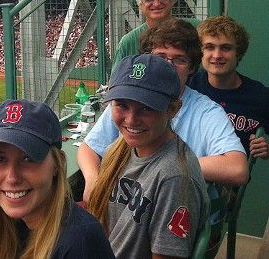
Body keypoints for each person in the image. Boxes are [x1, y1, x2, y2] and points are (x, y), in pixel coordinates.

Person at [77, 18, 248, 205]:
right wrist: (93, 181)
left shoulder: (206, 111)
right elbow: (89, 147)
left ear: (191, 67)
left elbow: (237, 168)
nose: (168, 65)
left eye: (179, 60)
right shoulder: (130, 99)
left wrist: (164, 166)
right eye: (160, 57)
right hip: (127, 205)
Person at [88, 54, 209, 258]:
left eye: (147, 108)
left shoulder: (174, 177)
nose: (131, 120)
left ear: (172, 109)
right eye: (122, 105)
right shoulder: (120, 149)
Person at [0, 99, 115, 259]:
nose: (12, 177)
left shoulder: (81, 242)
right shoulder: (3, 223)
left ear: (58, 164)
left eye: (28, 158)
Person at [188, 15, 268, 159]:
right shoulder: (187, 86)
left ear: (238, 52)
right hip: (185, 175)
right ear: (200, 52)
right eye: (209, 47)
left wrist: (266, 148)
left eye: (226, 48)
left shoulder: (259, 96)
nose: (217, 55)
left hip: (230, 178)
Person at [112, 0, 201, 73]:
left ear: (172, 0)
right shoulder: (129, 41)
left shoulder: (196, 28)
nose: (156, 4)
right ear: (140, 5)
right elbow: (116, 81)